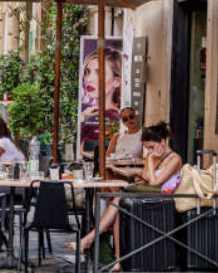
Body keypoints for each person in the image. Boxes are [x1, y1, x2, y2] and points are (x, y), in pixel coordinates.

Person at [71, 122, 182, 269]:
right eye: (147, 147)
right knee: (119, 207)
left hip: (162, 203)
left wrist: (148, 160)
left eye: (150, 147)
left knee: (118, 199)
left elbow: (155, 185)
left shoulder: (174, 159)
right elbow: (145, 179)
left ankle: (90, 240)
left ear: (162, 142)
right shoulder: (154, 156)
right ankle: (118, 261)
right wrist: (143, 172)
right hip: (148, 199)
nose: (148, 150)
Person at [80, 47, 123, 150]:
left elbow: (84, 152)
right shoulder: (92, 115)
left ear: (117, 81)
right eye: (87, 72)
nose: (89, 79)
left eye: (99, 73)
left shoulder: (109, 118)